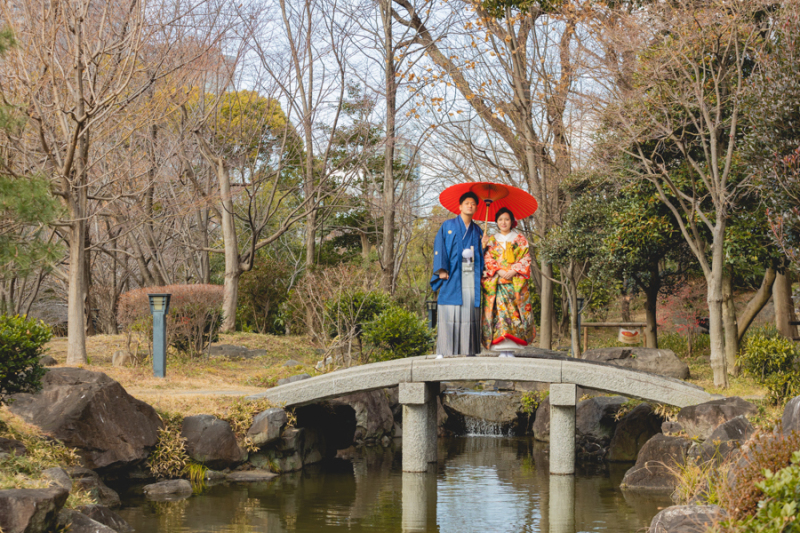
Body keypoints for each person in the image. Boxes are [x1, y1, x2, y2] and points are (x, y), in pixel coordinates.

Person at [430, 192, 485, 356]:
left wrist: (483, 246)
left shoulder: (478, 231)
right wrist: (441, 269)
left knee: (468, 311)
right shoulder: (448, 226)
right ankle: (444, 350)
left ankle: (468, 350)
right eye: (467, 203)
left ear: (476, 208)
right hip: (452, 274)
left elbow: (483, 258)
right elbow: (439, 246)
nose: (470, 205)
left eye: (473, 203)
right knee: (449, 309)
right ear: (460, 206)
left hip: (470, 275)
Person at [481, 207, 534, 356]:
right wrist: (499, 270)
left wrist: (514, 270)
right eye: (500, 219)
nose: (503, 222)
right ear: (496, 222)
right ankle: (500, 349)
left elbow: (526, 258)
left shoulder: (520, 239)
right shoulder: (491, 239)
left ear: (512, 221)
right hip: (498, 283)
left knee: (514, 315)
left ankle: (511, 349)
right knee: (500, 315)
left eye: (506, 219)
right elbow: (488, 258)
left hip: (514, 283)